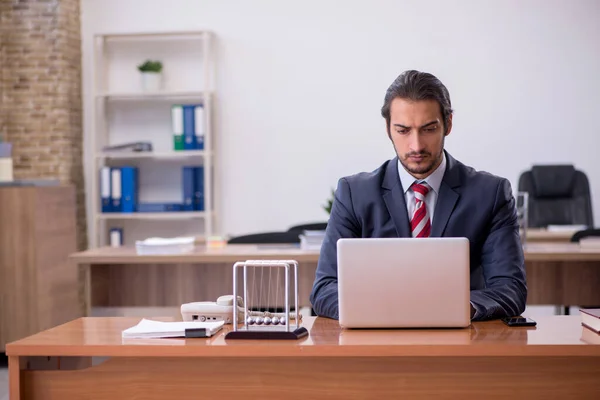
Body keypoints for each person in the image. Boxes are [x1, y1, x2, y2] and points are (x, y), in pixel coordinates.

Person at [309, 70, 527, 321]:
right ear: (388, 129)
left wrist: (448, 310)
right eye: (403, 131)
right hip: (376, 344)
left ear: (448, 124)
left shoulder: (491, 194)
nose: (416, 146)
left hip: (460, 346)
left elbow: (510, 289)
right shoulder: (354, 194)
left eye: (428, 129)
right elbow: (324, 289)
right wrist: (392, 310)